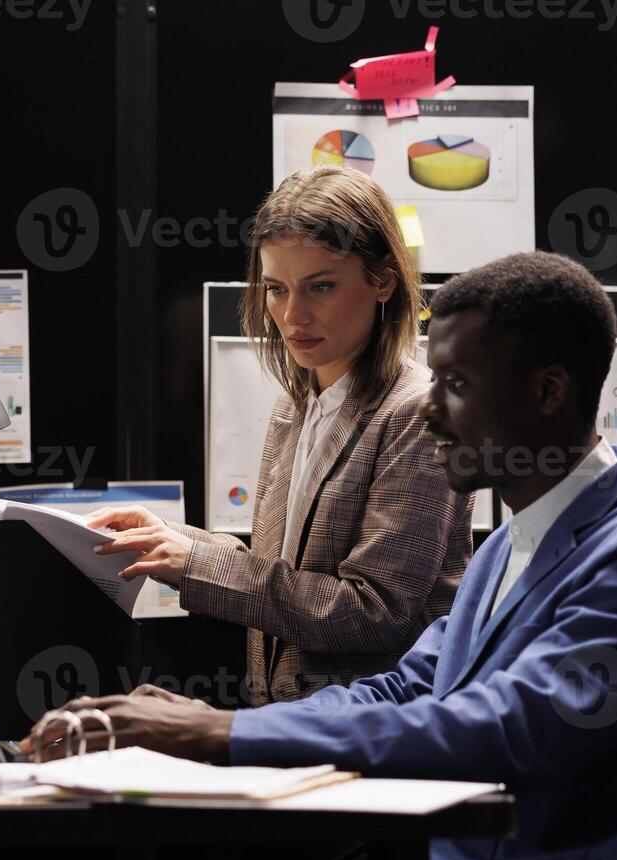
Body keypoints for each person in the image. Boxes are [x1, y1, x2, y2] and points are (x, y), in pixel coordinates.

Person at [24, 251, 617, 860]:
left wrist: (221, 734)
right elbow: (405, 687)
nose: (428, 411)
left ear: (548, 391)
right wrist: (204, 722)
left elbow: (501, 728)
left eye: (455, 386)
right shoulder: (511, 544)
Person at [89, 166, 472, 704]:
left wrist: (196, 564)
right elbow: (284, 577)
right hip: (286, 731)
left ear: (383, 281)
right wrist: (174, 539)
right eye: (275, 289)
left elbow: (373, 614)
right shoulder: (294, 408)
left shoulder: (418, 412)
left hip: (376, 745)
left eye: (321, 287)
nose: (292, 316)